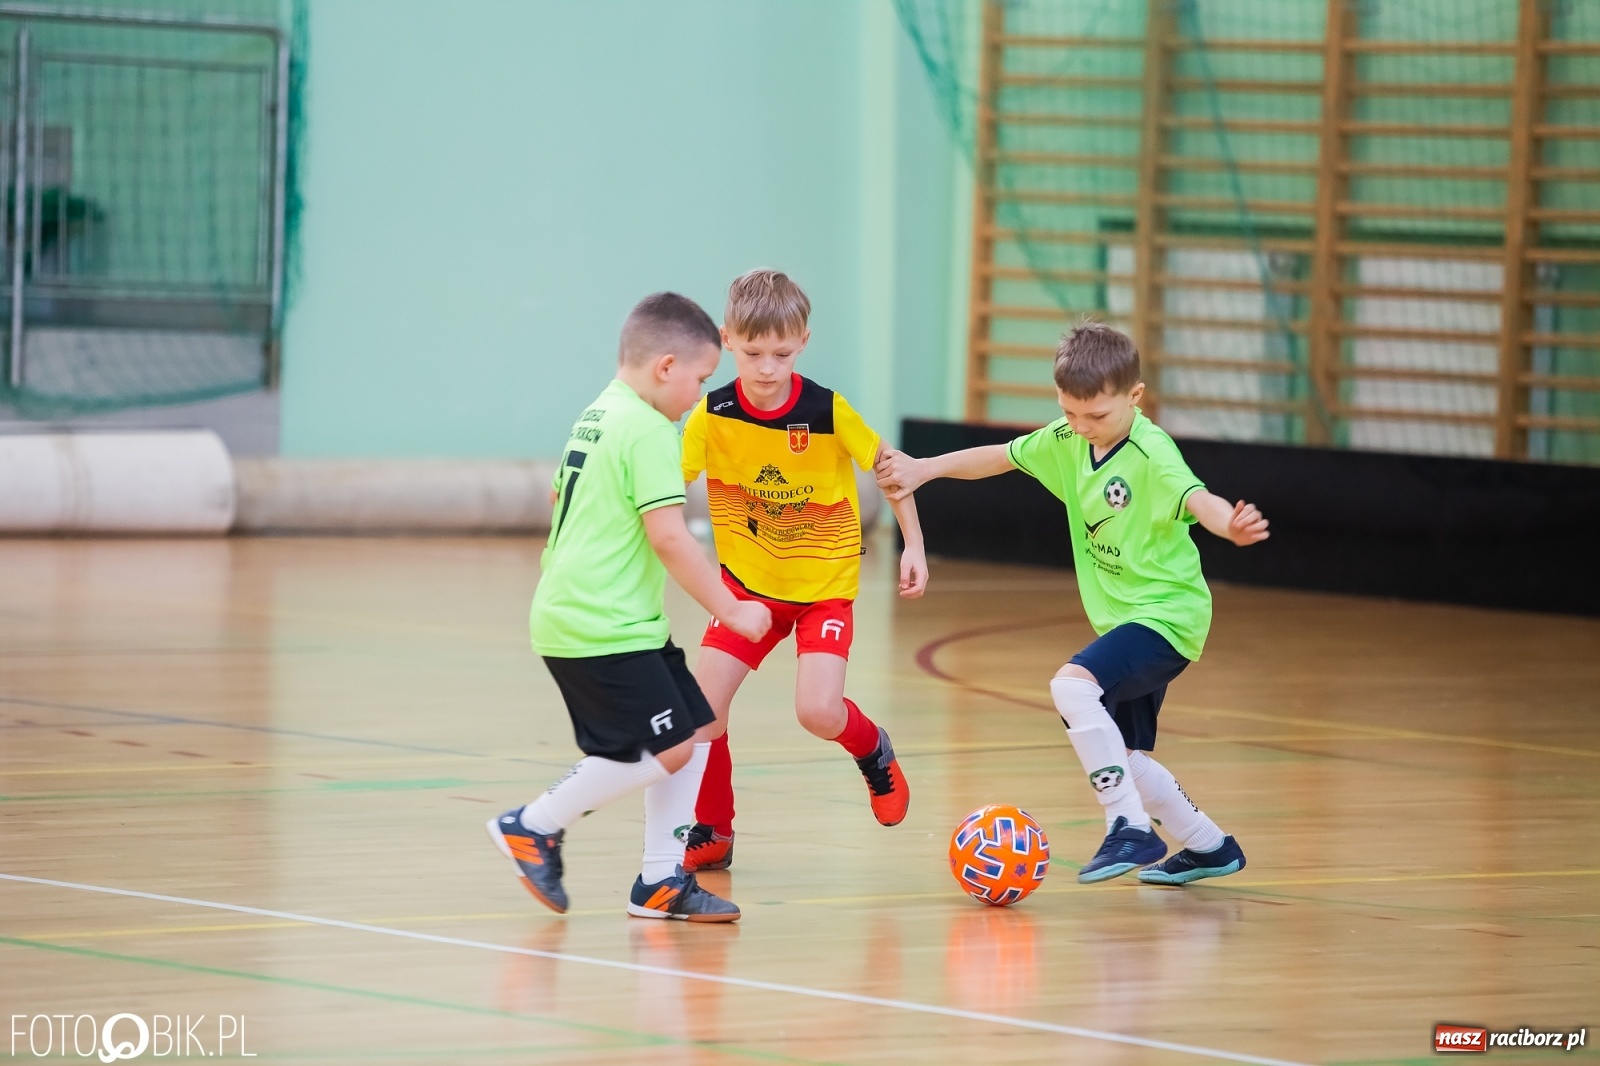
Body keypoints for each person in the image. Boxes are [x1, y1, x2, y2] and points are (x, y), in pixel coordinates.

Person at [874, 322, 1268, 885]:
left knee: (1072, 687)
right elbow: (1002, 456)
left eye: (1096, 415)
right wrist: (925, 468)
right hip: (1125, 620)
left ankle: (1127, 826)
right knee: (1124, 756)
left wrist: (1229, 525)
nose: (1082, 426)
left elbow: (1196, 497)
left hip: (1167, 614)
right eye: (1069, 412)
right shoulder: (1068, 439)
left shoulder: (1151, 451)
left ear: (1135, 396)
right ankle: (1210, 847)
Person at [487, 291, 773, 921]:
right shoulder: (648, 430)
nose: (699, 395)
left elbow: (560, 499)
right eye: (700, 379)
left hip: (614, 619)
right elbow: (669, 537)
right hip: (599, 623)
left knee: (695, 732)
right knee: (663, 749)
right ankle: (533, 824)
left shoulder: (599, 413)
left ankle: (662, 881)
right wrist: (732, 610)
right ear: (666, 367)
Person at [678, 269, 928, 872]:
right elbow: (665, 487)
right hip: (745, 590)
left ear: (804, 343)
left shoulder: (827, 411)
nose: (767, 368)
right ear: (726, 339)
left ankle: (873, 750)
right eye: (752, 353)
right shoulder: (711, 415)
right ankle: (714, 829)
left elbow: (890, 470)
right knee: (702, 711)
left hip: (822, 593)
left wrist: (914, 545)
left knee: (817, 712)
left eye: (782, 354)